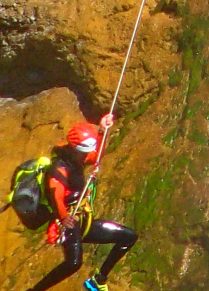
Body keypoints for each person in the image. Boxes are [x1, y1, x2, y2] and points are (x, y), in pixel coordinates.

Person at [28, 115, 138, 291]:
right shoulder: (59, 168)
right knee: (73, 263)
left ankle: (98, 280)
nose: (87, 155)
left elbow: (96, 156)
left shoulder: (77, 157)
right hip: (68, 221)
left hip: (83, 221)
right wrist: (64, 218)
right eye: (84, 152)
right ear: (74, 149)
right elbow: (56, 195)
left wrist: (102, 131)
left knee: (128, 237)